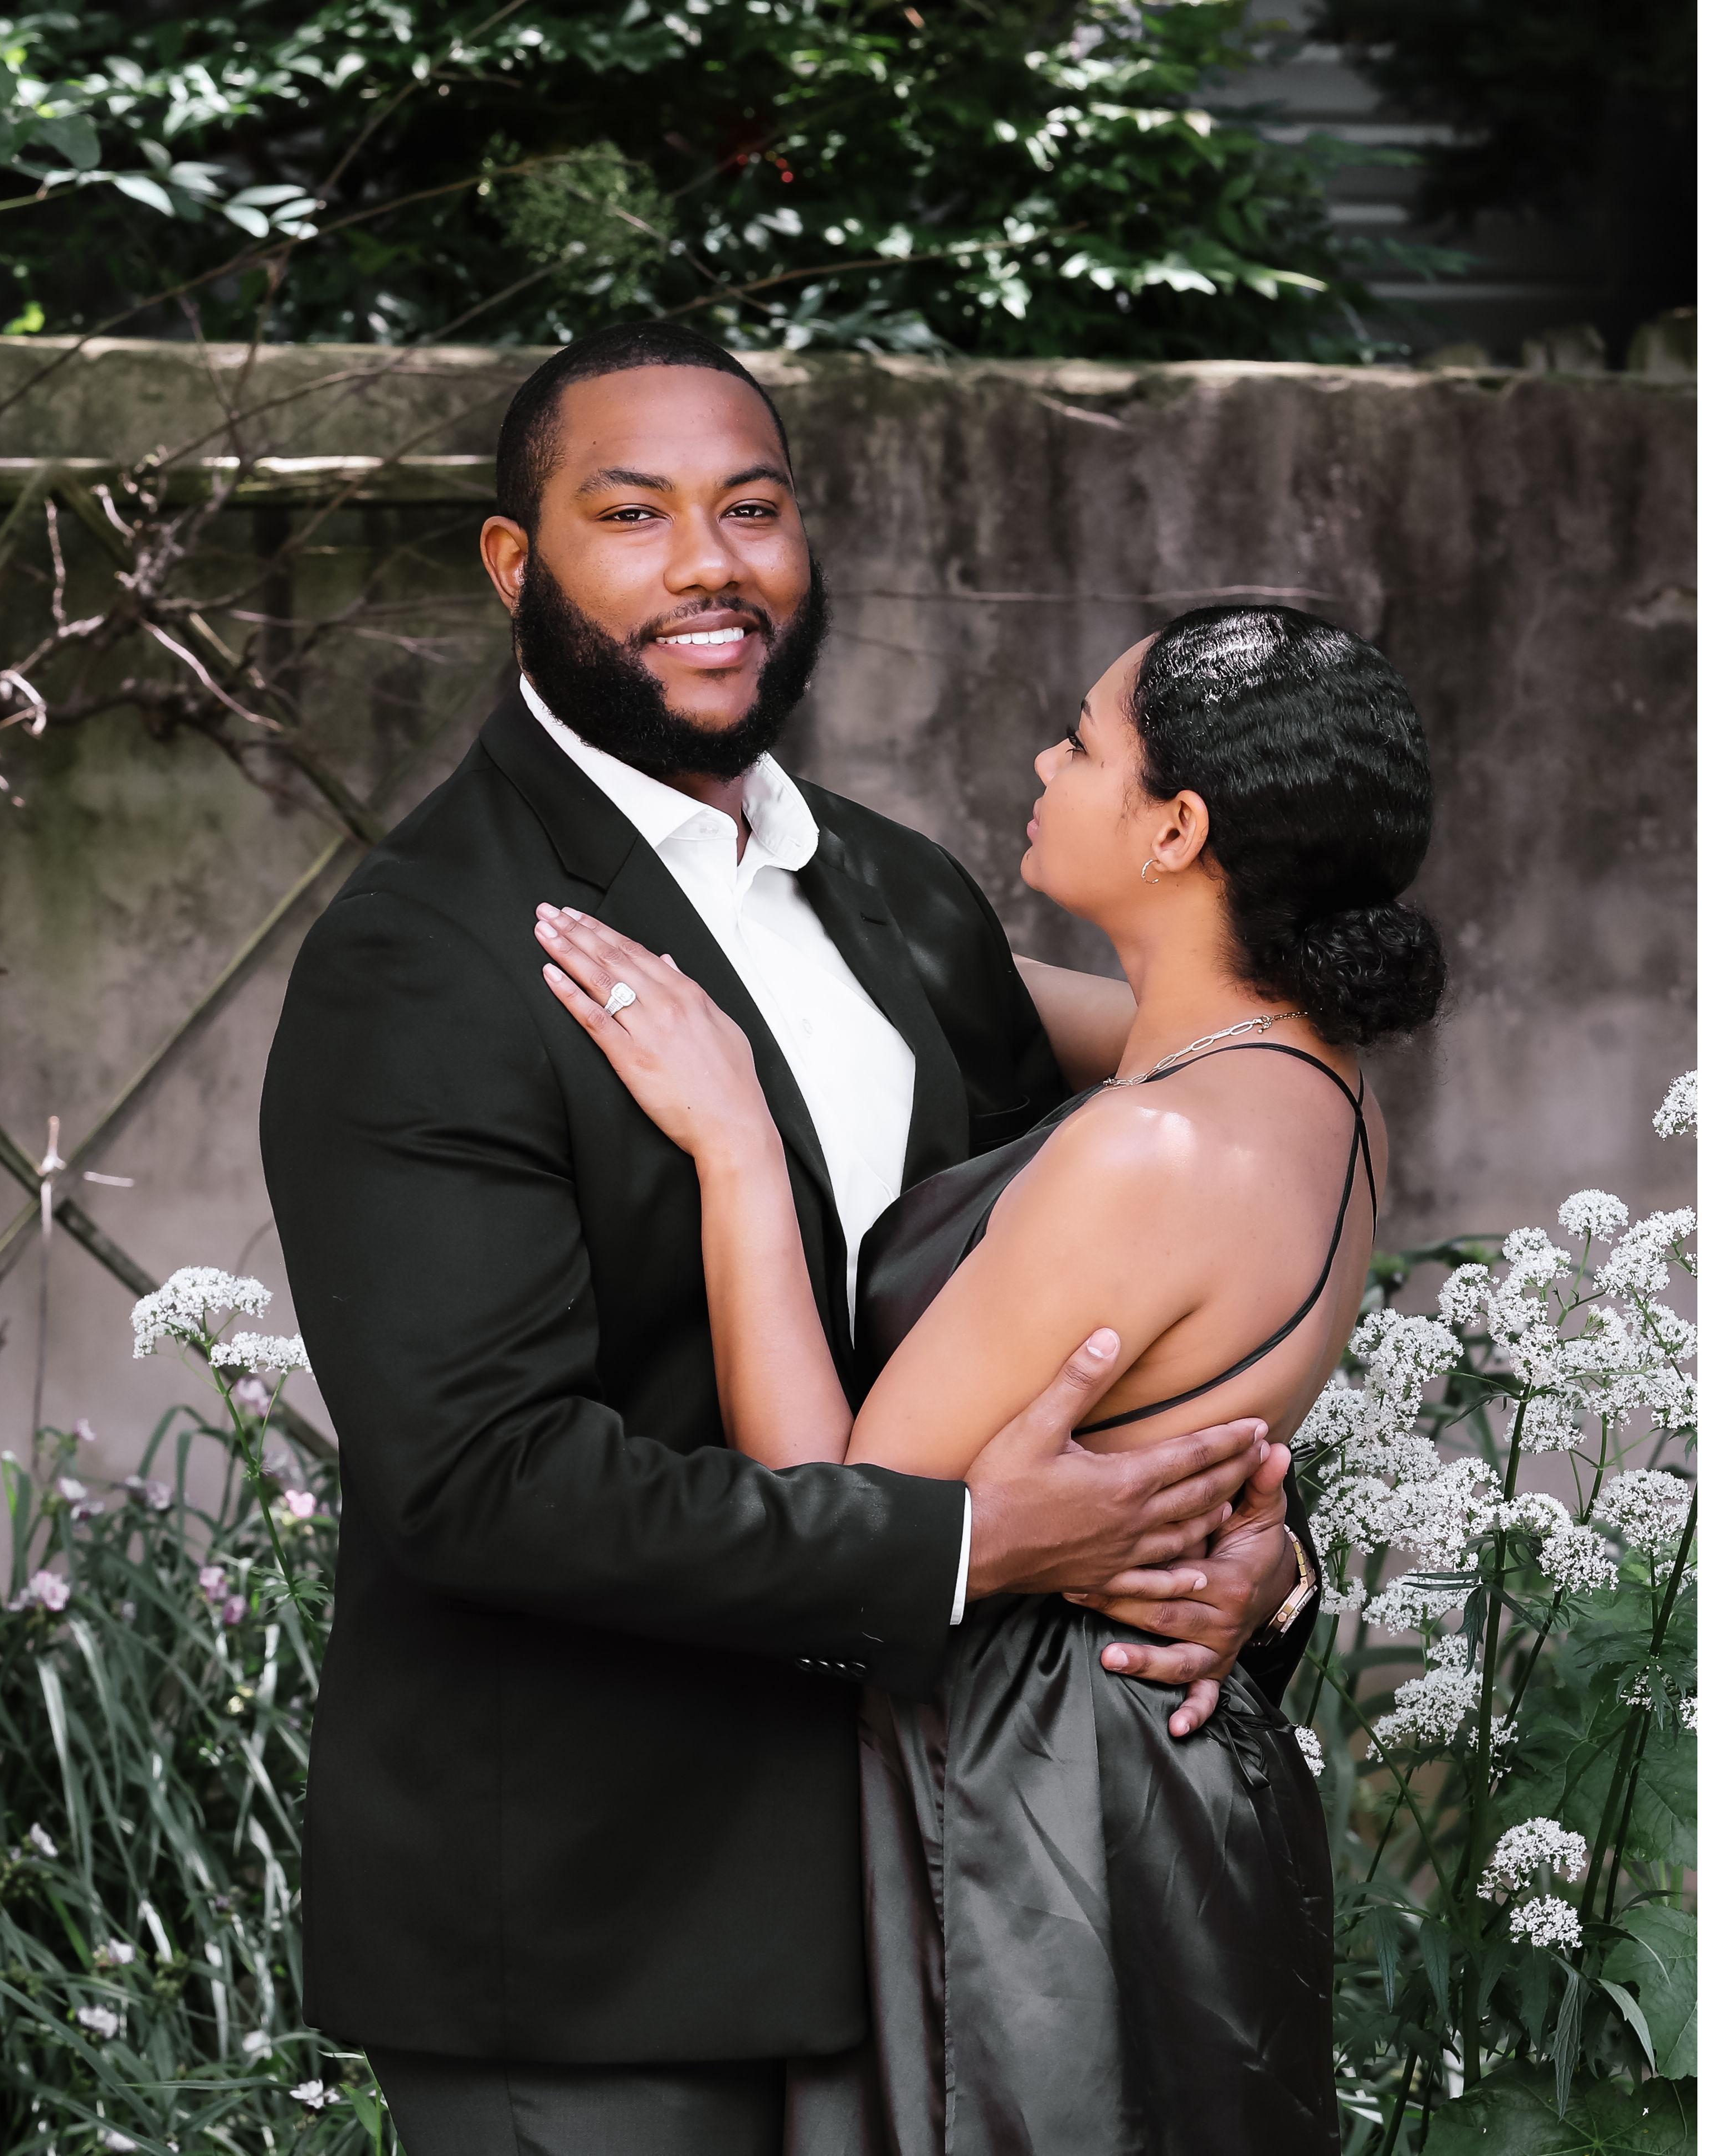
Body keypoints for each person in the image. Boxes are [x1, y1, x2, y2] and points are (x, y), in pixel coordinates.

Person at [261, 323, 1315, 2156]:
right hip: (599, 1940)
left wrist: (1251, 1560)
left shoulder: (906, 895)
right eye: (632, 516)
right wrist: (969, 1544)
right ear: (514, 565)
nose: (709, 566)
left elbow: (1094, 1305)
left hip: (942, 1893)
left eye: (751, 509)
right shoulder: (425, 956)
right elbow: (484, 1484)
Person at [536, 601, 1444, 2153]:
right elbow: (940, 981)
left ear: (1177, 829)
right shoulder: (1313, 1084)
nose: (1042, 764)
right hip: (1164, 1776)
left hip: (1033, 1805)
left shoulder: (1146, 1153)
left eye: (1081, 745)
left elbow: (835, 1513)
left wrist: (738, 1148)